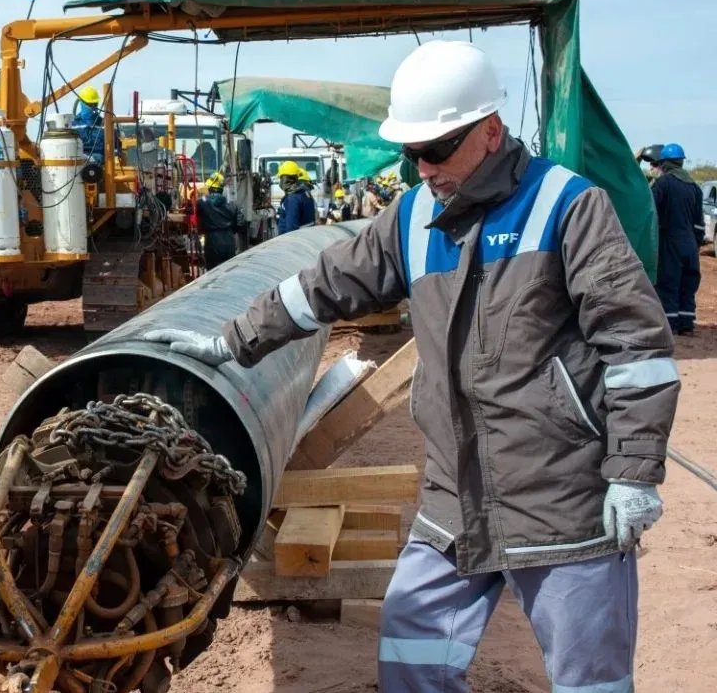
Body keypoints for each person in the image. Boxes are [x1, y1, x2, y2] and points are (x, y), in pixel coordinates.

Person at [146, 40, 676, 693]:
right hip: (455, 500)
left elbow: (637, 345)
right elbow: (322, 285)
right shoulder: (413, 217)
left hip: (560, 498)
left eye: (437, 148)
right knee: (411, 657)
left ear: (489, 131)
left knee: (588, 679)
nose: (422, 166)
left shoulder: (567, 207)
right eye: (410, 151)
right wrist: (231, 340)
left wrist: (632, 471)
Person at [641, 142, 703, 335]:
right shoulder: (694, 187)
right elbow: (699, 225)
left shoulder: (664, 183)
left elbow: (649, 209)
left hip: (671, 242)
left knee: (669, 282)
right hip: (690, 244)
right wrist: (696, 244)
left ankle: (670, 325)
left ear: (665, 163)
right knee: (688, 284)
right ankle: (687, 324)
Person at [197, 172, 241, 269]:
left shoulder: (202, 203)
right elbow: (236, 227)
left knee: (213, 273)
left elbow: (195, 217)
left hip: (212, 241)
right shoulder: (231, 205)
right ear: (222, 189)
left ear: (209, 188)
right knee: (228, 270)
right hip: (229, 240)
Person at [70, 85, 108, 165]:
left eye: (95, 104)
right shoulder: (72, 125)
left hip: (101, 169)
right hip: (78, 167)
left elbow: (114, 148)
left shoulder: (105, 124)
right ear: (81, 103)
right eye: (90, 104)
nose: (93, 107)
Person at [277, 160, 316, 233]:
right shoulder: (304, 193)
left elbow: (291, 228)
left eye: (281, 178)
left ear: (285, 179)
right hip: (306, 236)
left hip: (292, 240)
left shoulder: (293, 198)